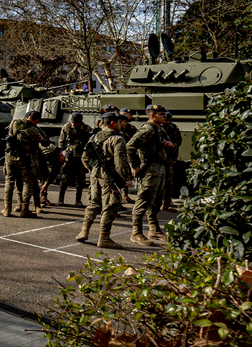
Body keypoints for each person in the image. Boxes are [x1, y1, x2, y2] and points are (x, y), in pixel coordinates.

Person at [75, 111, 133, 249]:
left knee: (93, 203)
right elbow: (120, 162)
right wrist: (126, 179)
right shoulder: (118, 139)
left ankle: (84, 231)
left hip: (95, 175)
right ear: (113, 123)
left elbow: (84, 157)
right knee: (111, 206)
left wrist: (93, 169)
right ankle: (104, 238)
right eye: (120, 122)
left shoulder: (95, 137)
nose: (121, 125)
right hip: (110, 177)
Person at [127, 103, 175, 246]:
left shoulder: (160, 129)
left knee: (156, 201)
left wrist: (170, 145)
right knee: (144, 200)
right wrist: (134, 166)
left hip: (160, 167)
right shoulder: (147, 130)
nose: (164, 116)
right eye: (161, 114)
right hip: (149, 169)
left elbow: (170, 142)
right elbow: (130, 146)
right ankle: (136, 233)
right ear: (152, 116)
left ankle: (154, 230)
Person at [3, 110, 45, 217]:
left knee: (9, 182)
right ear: (37, 120)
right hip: (24, 159)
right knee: (27, 182)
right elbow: (39, 144)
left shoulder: (14, 123)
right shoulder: (34, 130)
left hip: (10, 157)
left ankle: (7, 209)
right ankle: (24, 210)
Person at [57, 112, 91, 207]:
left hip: (81, 158)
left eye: (75, 123)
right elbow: (61, 141)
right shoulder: (66, 127)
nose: (73, 124)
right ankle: (60, 199)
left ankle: (78, 201)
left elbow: (89, 144)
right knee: (65, 179)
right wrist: (62, 153)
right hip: (69, 157)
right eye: (72, 122)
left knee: (81, 180)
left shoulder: (87, 129)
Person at [161, 110, 183, 211]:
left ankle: (167, 202)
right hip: (159, 158)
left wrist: (173, 145)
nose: (167, 121)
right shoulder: (156, 128)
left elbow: (178, 141)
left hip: (169, 158)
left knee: (168, 181)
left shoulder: (173, 127)